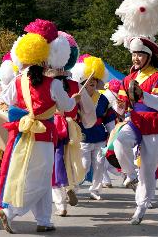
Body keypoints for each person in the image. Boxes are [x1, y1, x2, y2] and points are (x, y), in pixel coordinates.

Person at [0, 19, 80, 233]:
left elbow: (4, 99)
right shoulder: (54, 84)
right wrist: (76, 99)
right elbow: (67, 106)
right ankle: (12, 211)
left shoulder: (18, 80)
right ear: (47, 57)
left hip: (23, 133)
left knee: (36, 176)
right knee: (41, 180)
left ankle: (44, 220)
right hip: (44, 136)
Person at [112, 37, 158, 224]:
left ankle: (141, 207)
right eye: (133, 55)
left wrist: (142, 94)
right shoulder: (128, 79)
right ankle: (130, 175)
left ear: (148, 56)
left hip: (154, 124)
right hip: (135, 120)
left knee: (147, 170)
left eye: (139, 54)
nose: (135, 58)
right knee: (119, 142)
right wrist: (118, 104)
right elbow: (121, 108)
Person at [50, 31, 96, 217]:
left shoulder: (47, 84)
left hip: (52, 126)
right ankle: (72, 187)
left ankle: (60, 203)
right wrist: (87, 121)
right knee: (73, 161)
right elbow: (89, 111)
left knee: (55, 164)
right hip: (72, 127)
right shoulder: (76, 85)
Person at [71, 54, 116, 201]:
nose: (91, 86)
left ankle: (95, 190)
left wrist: (112, 135)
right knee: (84, 165)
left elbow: (109, 118)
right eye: (88, 83)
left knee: (99, 165)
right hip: (83, 136)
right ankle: (74, 187)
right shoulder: (78, 98)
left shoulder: (103, 99)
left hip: (100, 136)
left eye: (93, 83)